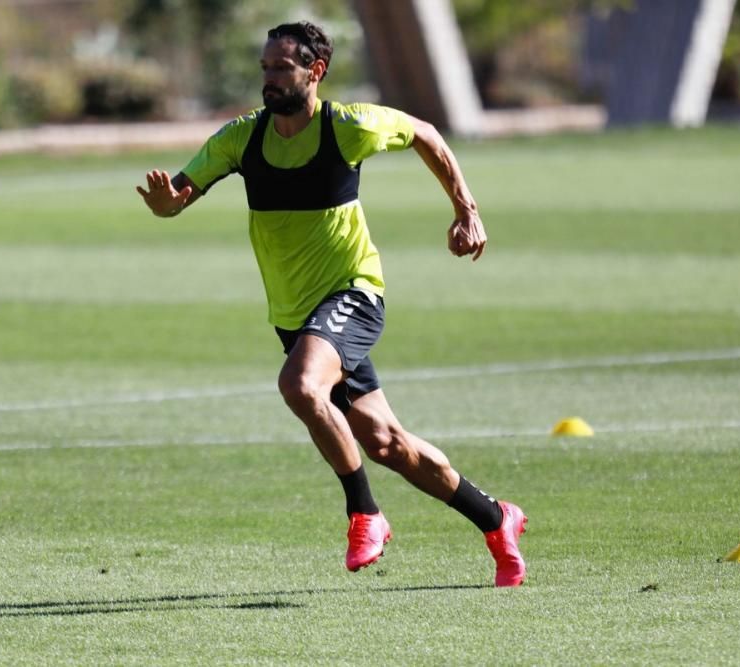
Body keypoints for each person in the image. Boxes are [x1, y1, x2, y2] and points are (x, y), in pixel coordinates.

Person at [136, 21, 527, 586]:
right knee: (387, 442)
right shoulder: (240, 139)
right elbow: (177, 198)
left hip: (354, 294)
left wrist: (466, 209)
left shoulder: (347, 127)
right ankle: (497, 519)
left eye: (281, 68)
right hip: (297, 319)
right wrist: (164, 204)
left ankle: (365, 512)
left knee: (299, 385)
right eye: (264, 68)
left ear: (314, 71)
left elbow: (424, 132)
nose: (268, 78)